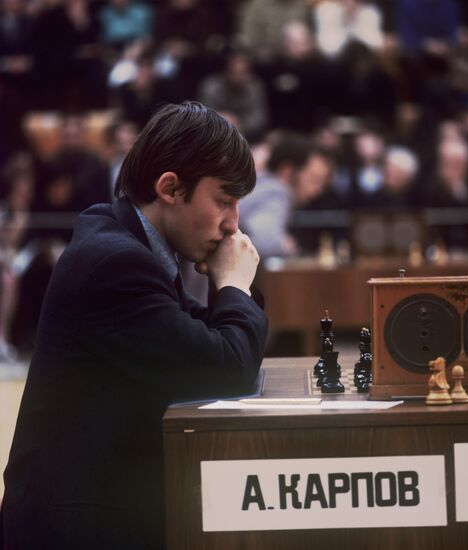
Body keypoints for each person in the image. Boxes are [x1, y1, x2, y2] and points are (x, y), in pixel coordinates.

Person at [0, 102, 268, 550]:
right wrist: (234, 285)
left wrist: (232, 293)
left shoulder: (131, 247)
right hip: (76, 529)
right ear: (170, 188)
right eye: (224, 200)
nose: (232, 225)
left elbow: (214, 343)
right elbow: (227, 367)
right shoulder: (117, 264)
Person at [239, 133, 333, 258]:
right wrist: (287, 246)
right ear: (287, 171)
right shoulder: (275, 192)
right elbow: (266, 245)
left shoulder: (261, 185)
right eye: (314, 179)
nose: (318, 190)